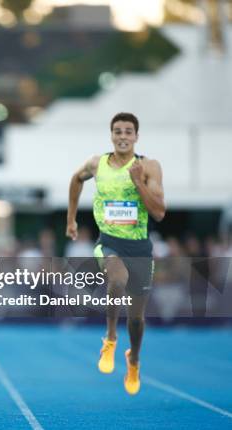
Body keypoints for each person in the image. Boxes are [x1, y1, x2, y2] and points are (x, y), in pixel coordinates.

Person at [66, 112, 165, 395]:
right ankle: (109, 338)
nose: (123, 136)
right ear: (111, 135)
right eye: (118, 131)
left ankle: (133, 360)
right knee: (117, 279)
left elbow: (158, 212)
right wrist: (71, 219)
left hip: (140, 247)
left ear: (136, 136)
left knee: (136, 318)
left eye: (128, 132)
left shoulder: (149, 167)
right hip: (109, 241)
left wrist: (138, 183)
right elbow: (76, 179)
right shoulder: (97, 163)